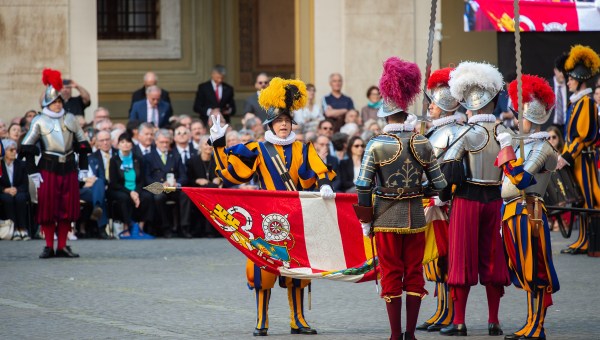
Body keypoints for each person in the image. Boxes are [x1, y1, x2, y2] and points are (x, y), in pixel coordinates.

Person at [210, 77, 335, 336]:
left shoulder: (303, 147)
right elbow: (232, 175)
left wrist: (323, 183)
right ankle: (261, 321)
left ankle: (297, 320)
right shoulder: (256, 148)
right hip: (267, 216)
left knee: (298, 271)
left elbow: (318, 168)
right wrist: (219, 146)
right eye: (279, 122)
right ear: (270, 125)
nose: (283, 125)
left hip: (297, 215)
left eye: (287, 121)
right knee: (263, 270)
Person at [353, 57, 447, 340]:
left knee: (392, 273)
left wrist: (366, 221)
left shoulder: (376, 145)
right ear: (405, 115)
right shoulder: (422, 142)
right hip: (415, 216)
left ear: (384, 116)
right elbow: (439, 185)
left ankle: (395, 335)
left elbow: (363, 187)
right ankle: (410, 334)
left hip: (384, 215)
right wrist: (419, 191)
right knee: (414, 273)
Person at [439, 62, 511, 336]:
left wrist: (443, 197)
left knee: (461, 260)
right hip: (495, 200)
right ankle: (494, 321)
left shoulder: (464, 133)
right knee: (493, 260)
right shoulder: (505, 133)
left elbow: (449, 171)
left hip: (467, 200)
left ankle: (459, 322)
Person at [495, 74, 560, 340]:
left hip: (529, 211)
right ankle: (529, 322)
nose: (513, 118)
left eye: (517, 114)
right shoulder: (525, 143)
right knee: (523, 271)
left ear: (529, 117)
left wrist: (507, 148)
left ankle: (538, 326)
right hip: (512, 211)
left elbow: (522, 178)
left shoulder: (542, 147)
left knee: (536, 270)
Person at [21, 69, 91, 258]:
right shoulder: (39, 120)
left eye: (59, 101)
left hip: (68, 167)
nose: (57, 105)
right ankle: (48, 246)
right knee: (48, 208)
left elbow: (83, 145)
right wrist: (32, 171)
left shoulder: (71, 119)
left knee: (67, 209)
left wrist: (83, 168)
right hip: (47, 168)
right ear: (47, 103)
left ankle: (62, 245)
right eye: (54, 102)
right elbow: (27, 146)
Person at [416, 67, 461, 333]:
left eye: (434, 103)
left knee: (444, 258)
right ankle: (441, 309)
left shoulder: (450, 132)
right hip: (431, 199)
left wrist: (441, 196)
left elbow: (447, 169)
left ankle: (449, 311)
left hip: (443, 203)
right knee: (434, 260)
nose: (430, 106)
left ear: (444, 107)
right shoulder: (435, 131)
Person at [556, 45, 600, 255]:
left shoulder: (586, 102)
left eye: (572, 78)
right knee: (581, 199)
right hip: (578, 158)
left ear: (581, 79)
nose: (569, 81)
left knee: (589, 198)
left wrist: (565, 156)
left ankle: (590, 242)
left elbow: (581, 136)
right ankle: (583, 239)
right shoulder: (578, 102)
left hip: (584, 158)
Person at [108, 133, 154, 239]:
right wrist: (131, 192)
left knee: (147, 197)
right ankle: (127, 227)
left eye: (128, 142)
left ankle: (140, 228)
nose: (125, 144)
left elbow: (141, 180)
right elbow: (114, 183)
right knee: (124, 198)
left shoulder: (138, 159)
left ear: (132, 144)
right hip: (120, 189)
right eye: (122, 142)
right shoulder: (114, 160)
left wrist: (136, 192)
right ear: (118, 145)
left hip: (136, 189)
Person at [143, 129, 188, 238]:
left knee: (185, 195)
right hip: (158, 188)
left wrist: (177, 183)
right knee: (159, 198)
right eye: (162, 142)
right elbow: (146, 177)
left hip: (173, 188)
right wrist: (160, 185)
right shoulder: (148, 157)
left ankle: (184, 227)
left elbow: (183, 176)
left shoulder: (176, 156)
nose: (164, 144)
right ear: (156, 142)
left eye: (166, 142)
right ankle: (166, 228)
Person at [186, 135, 222, 237]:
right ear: (200, 146)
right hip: (197, 191)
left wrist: (219, 179)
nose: (209, 147)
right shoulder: (192, 161)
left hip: (213, 193)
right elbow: (188, 179)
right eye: (206, 144)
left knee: (212, 190)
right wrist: (197, 180)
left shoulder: (218, 161)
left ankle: (211, 230)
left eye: (211, 144)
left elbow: (224, 176)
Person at [0, 139, 30, 240]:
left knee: (20, 198)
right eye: (11, 150)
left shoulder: (21, 164)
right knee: (7, 199)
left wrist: (16, 189)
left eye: (15, 150)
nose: (14, 152)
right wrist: (5, 190)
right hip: (4, 191)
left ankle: (23, 228)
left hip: (18, 191)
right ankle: (13, 229)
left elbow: (25, 184)